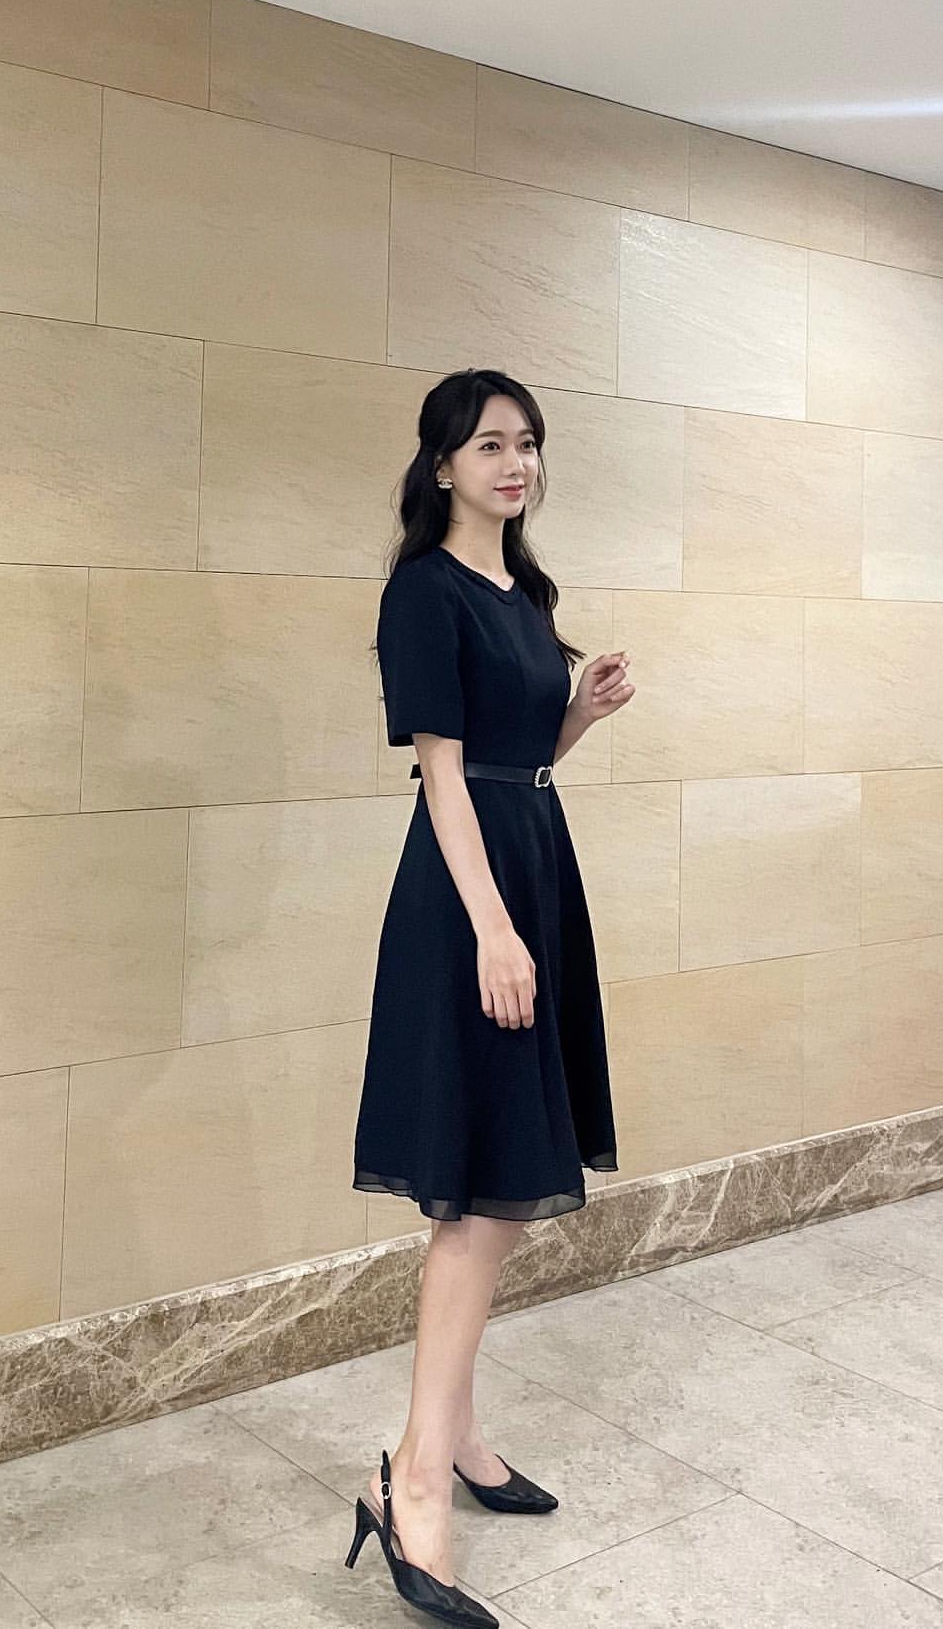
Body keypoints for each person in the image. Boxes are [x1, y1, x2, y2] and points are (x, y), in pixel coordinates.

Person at [343, 368, 634, 1626]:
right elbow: (443, 776)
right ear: (443, 465)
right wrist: (494, 931)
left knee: (504, 1178)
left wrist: (580, 715)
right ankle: (412, 1478)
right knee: (478, 1193)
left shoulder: (527, 592)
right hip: (473, 900)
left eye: (527, 444)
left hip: (533, 865)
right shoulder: (425, 591)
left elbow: (519, 759)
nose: (515, 464)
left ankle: (451, 1434)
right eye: (489, 446)